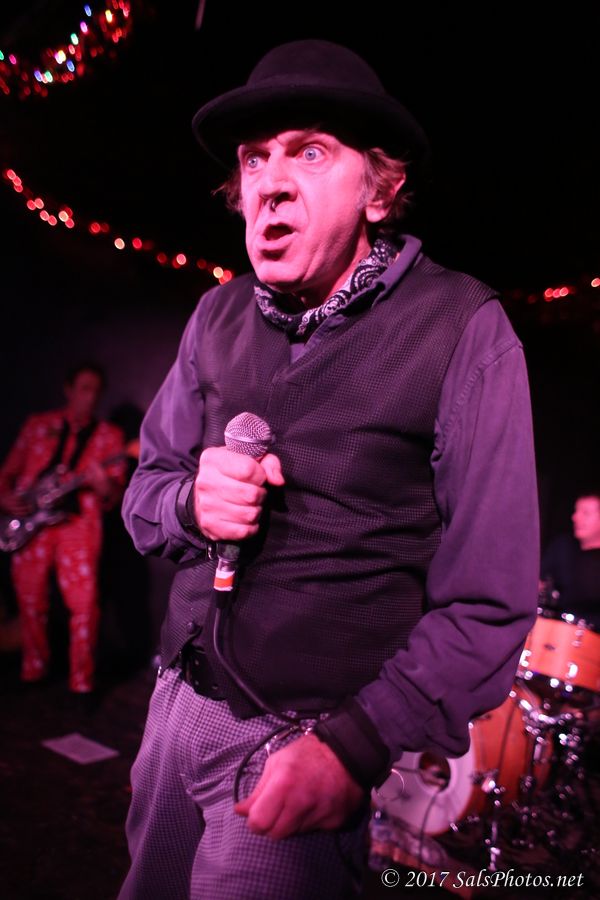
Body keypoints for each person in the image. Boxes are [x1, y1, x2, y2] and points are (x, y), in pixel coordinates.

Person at [118, 40, 539, 899]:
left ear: (378, 191)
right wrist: (191, 504)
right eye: (254, 159)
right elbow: (144, 494)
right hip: (172, 712)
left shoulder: (463, 327)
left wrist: (353, 746)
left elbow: (489, 600)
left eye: (308, 153)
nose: (270, 184)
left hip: (301, 744)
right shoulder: (215, 314)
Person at [0, 362, 126, 696]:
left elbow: (114, 495)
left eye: (96, 391)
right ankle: (33, 670)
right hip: (30, 524)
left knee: (84, 605)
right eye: (84, 388)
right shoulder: (38, 426)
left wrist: (102, 484)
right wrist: (5, 497)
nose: (90, 397)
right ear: (68, 390)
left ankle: (81, 683)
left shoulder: (110, 437)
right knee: (30, 602)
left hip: (77, 526)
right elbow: (8, 472)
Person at [540, 491, 600, 630]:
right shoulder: (562, 546)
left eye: (585, 513)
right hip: (553, 629)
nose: (575, 517)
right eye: (576, 511)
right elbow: (538, 583)